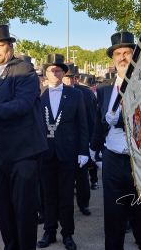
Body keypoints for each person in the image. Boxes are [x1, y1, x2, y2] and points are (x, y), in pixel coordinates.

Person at [0, 24, 47, 250]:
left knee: (23, 212)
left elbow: (22, 105)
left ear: (10, 47)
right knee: (2, 210)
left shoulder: (24, 70)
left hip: (23, 154)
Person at [91, 32, 141, 250]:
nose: (122, 57)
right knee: (113, 221)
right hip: (113, 161)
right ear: (113, 59)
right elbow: (98, 122)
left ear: (135, 57)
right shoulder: (104, 90)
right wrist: (93, 149)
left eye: (127, 53)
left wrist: (121, 119)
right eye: (118, 54)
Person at [37, 54, 89, 250]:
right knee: (48, 195)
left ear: (63, 73)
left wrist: (84, 151)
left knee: (66, 196)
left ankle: (67, 234)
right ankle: (49, 232)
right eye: (51, 69)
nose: (55, 72)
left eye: (58, 69)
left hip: (68, 153)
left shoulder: (75, 95)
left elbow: (82, 124)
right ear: (46, 73)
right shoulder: (38, 95)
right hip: (45, 152)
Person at [63, 65, 94, 215]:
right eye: (66, 77)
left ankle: (84, 203)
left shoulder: (86, 93)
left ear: (76, 78)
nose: (69, 80)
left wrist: (90, 142)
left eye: (71, 77)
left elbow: (90, 119)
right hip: (64, 143)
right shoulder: (56, 92)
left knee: (81, 176)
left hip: (81, 140)